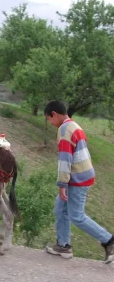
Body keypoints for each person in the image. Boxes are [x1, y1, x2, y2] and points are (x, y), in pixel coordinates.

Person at [44, 100, 114, 264]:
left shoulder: (64, 129)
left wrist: (62, 184)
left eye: (49, 119)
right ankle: (63, 245)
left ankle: (109, 241)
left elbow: (65, 159)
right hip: (83, 174)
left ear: (54, 114)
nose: (51, 123)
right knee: (60, 209)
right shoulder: (75, 126)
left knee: (76, 216)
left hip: (77, 179)